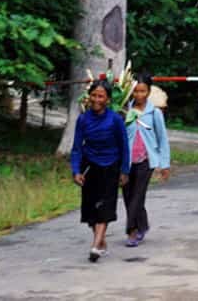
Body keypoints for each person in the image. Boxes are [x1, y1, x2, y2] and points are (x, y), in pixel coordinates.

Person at [70, 79, 130, 262]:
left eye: (101, 96)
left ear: (108, 100)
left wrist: (124, 170)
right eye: (94, 95)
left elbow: (124, 146)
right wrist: (76, 170)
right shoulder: (83, 119)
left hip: (110, 166)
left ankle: (95, 245)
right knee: (90, 211)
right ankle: (101, 240)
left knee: (104, 207)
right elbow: (76, 148)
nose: (96, 99)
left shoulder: (116, 120)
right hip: (89, 166)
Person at [122, 74, 170, 247]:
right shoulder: (124, 111)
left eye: (143, 91)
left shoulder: (154, 113)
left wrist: (164, 164)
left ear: (149, 92)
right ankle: (143, 225)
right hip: (126, 162)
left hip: (146, 160)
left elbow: (162, 139)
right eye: (135, 91)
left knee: (137, 195)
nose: (139, 95)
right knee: (128, 195)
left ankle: (132, 231)